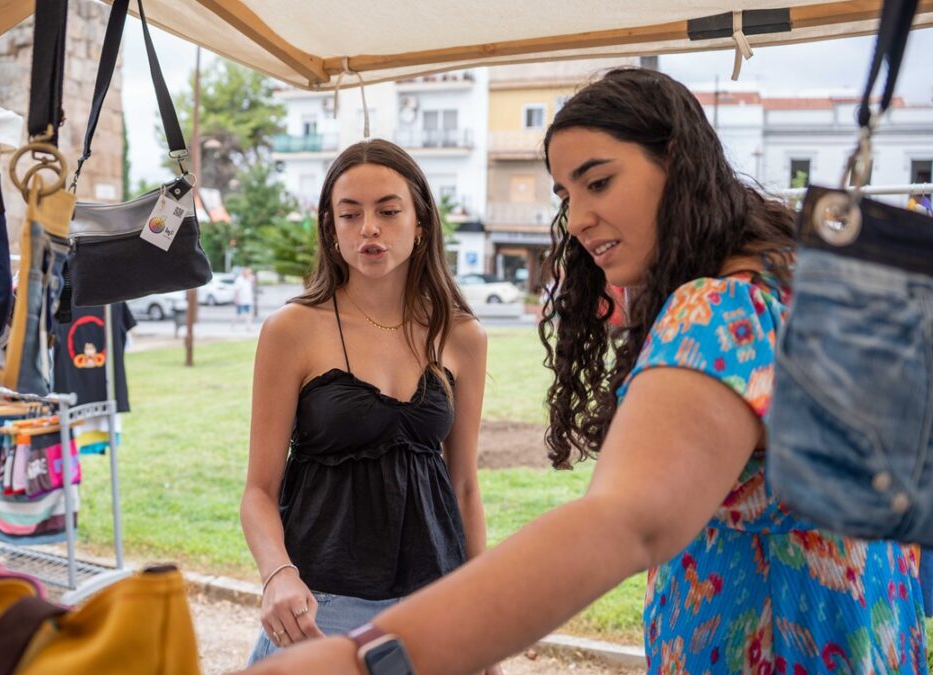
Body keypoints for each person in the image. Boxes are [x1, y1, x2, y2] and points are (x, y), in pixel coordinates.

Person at [241, 68, 927, 674]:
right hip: (864, 623)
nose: (581, 216)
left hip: (775, 638)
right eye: (568, 194)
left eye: (599, 180)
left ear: (679, 162)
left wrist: (371, 657)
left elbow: (622, 522)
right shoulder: (794, 268)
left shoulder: (721, 306)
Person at [239, 139, 499, 674]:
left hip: (436, 602)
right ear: (331, 230)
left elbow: (465, 486)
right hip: (323, 606)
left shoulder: (463, 335)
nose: (369, 229)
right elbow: (258, 492)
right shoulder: (292, 330)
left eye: (387, 210)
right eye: (350, 214)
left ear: (421, 222)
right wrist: (277, 574)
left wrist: (483, 617)